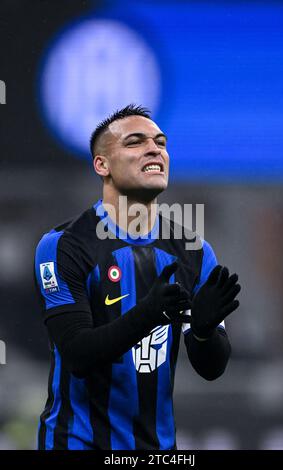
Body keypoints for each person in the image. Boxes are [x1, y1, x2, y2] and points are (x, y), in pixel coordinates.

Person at [34, 104, 241, 450]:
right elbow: (78, 355)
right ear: (102, 165)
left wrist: (204, 334)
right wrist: (149, 313)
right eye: (135, 142)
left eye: (161, 142)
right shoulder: (63, 246)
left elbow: (211, 369)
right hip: (77, 444)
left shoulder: (195, 252)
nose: (154, 149)